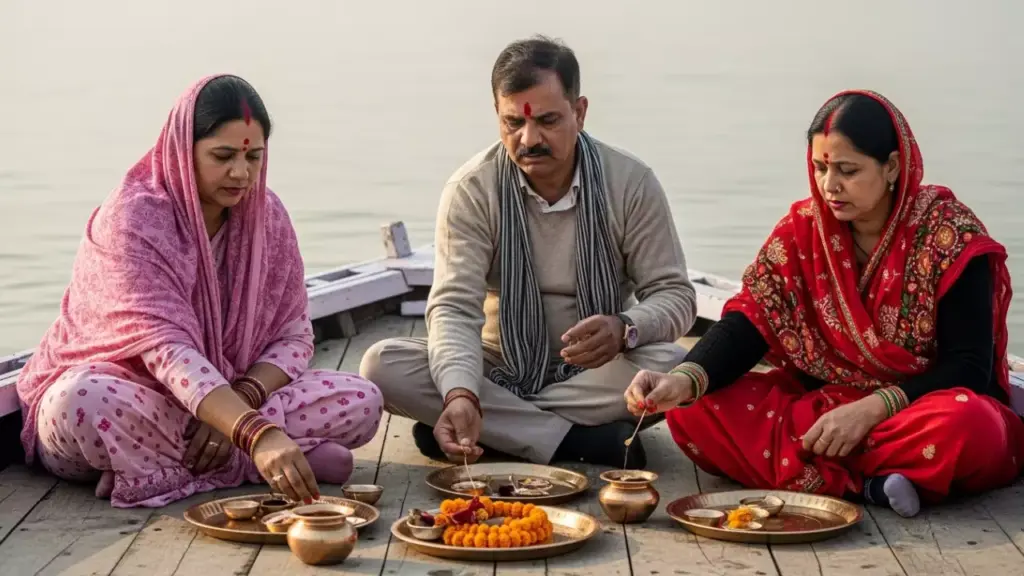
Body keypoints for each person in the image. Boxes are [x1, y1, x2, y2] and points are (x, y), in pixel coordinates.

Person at [625, 90, 1024, 518]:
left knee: (972, 427)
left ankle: (823, 473)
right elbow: (750, 322)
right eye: (819, 167)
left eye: (847, 171)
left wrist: (871, 410)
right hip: (822, 410)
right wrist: (683, 380)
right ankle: (871, 485)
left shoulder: (950, 235)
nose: (829, 185)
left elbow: (969, 365)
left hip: (916, 411)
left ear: (892, 166)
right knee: (693, 411)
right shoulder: (802, 231)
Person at [16, 75, 383, 508]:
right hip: (132, 397)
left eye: (254, 157)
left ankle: (182, 467)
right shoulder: (133, 218)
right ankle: (254, 463)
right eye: (222, 156)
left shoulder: (268, 217)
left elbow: (295, 336)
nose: (241, 173)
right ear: (181, 151)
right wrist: (256, 433)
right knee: (78, 400)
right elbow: (167, 352)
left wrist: (240, 405)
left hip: (229, 397)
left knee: (363, 399)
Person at [361, 36, 697, 469]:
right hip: (494, 366)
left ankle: (502, 429)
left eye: (548, 120)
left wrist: (625, 327)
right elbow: (454, 310)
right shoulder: (472, 189)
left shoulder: (630, 182)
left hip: (597, 372)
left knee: (679, 364)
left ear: (580, 112)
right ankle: (571, 441)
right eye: (512, 124)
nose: (529, 138)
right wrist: (461, 391)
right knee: (381, 366)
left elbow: (674, 295)